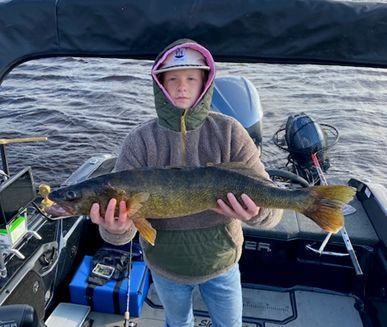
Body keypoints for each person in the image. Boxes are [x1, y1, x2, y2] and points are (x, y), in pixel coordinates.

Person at [89, 39, 283, 327]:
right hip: (166, 269)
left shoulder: (230, 132)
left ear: (205, 82)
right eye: (173, 79)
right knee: (178, 323)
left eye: (191, 78)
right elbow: (123, 234)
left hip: (223, 262)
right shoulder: (139, 141)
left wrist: (256, 213)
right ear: (160, 84)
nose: (182, 86)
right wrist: (114, 229)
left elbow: (273, 211)